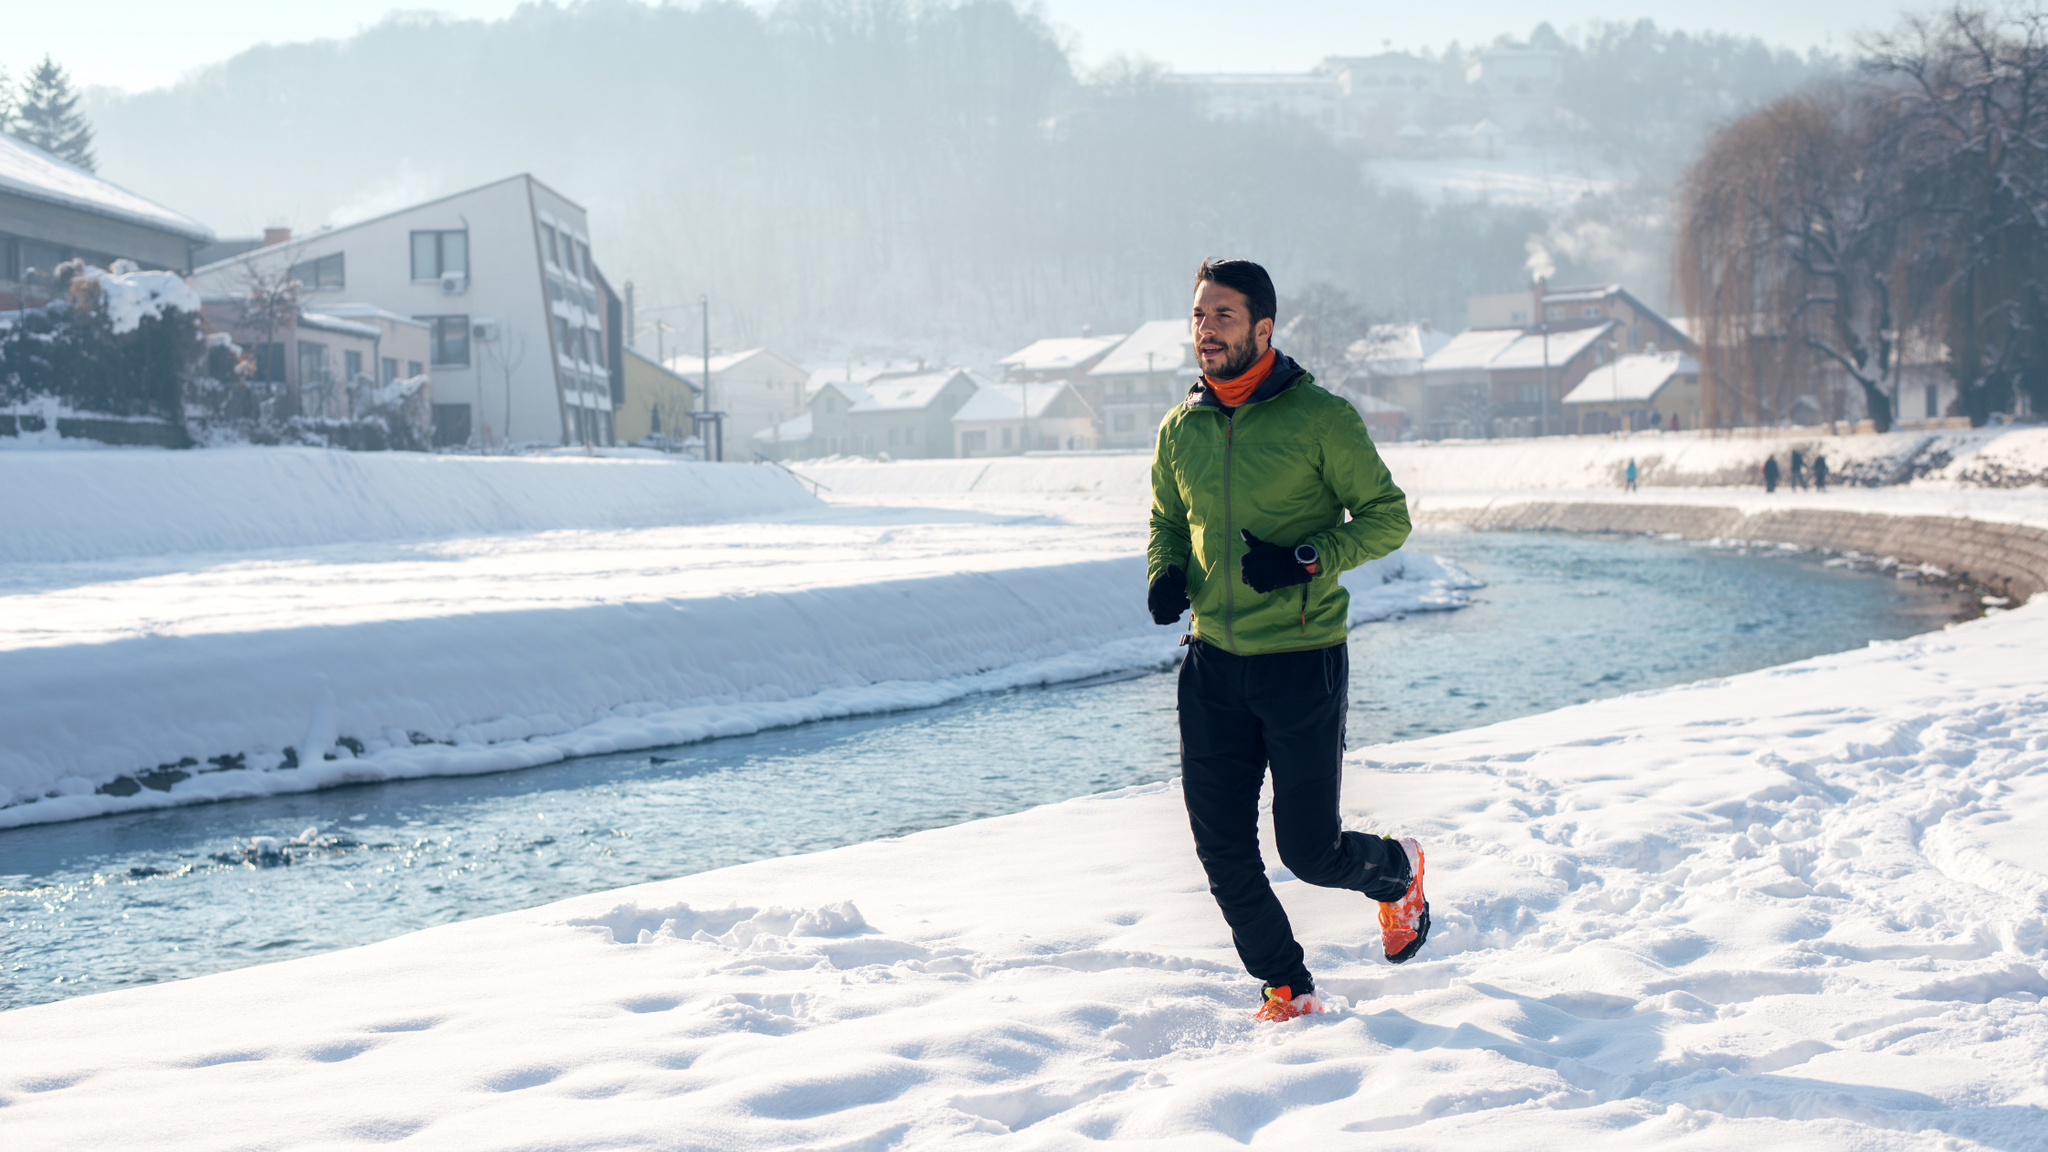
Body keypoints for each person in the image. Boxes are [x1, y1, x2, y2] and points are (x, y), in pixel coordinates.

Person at [1147, 259, 1425, 1025]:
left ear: (1263, 329)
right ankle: (1286, 985)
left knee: (1308, 850)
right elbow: (1168, 520)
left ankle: (1396, 874)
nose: (1206, 331)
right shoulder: (1181, 427)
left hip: (1301, 662)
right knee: (1223, 853)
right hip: (1210, 668)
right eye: (1199, 316)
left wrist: (1308, 558)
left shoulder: (1321, 419)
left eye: (1223, 317)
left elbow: (1387, 517)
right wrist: (1166, 572)